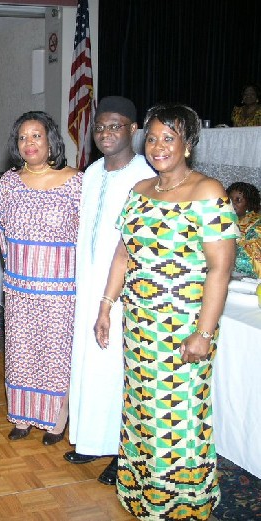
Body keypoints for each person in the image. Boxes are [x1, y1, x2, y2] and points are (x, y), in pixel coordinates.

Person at [94, 103, 238, 520]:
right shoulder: (139, 190)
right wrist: (106, 305)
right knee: (141, 409)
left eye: (169, 138)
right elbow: (124, 253)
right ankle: (141, 493)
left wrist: (204, 333)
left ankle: (181, 503)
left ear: (188, 144)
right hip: (140, 324)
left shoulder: (208, 192)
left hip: (183, 327)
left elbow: (220, 270)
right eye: (152, 138)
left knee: (179, 415)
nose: (158, 146)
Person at [64, 97, 155, 484]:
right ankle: (90, 437)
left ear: (133, 129)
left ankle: (124, 451)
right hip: (88, 284)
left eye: (114, 126)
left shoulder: (148, 175)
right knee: (88, 360)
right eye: (100, 127)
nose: (105, 134)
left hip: (125, 288)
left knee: (120, 367)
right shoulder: (91, 172)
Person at [0, 111, 82, 445]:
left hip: (61, 291)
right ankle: (22, 416)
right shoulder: (8, 184)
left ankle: (57, 420)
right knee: (21, 350)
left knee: (55, 354)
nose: (28, 143)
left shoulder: (76, 182)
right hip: (19, 286)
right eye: (22, 137)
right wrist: (16, 271)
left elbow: (84, 237)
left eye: (36, 136)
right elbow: (2, 234)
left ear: (51, 141)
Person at [227, 181, 261, 277]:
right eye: (229, 200)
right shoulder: (223, 219)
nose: (232, 203)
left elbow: (254, 257)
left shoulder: (256, 224)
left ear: (249, 203)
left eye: (238, 200)